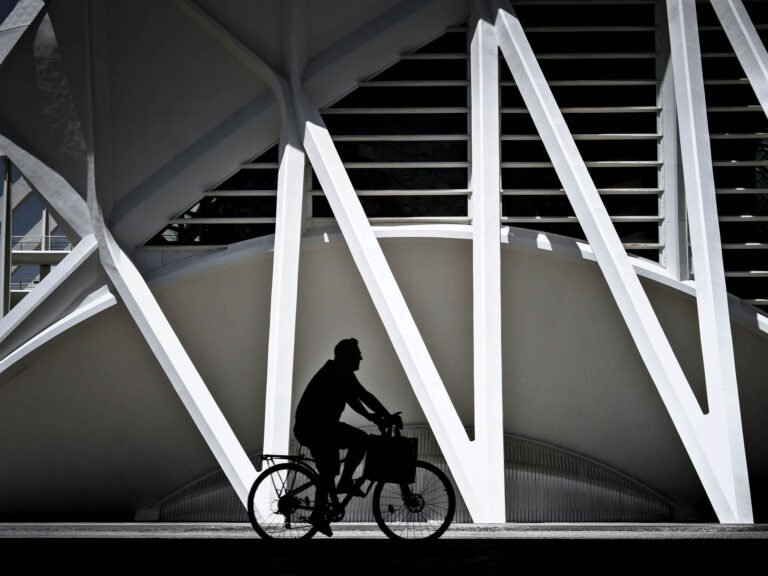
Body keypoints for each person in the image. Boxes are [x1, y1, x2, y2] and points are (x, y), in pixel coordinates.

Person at [293, 338, 399, 537]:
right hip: (315, 428)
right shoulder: (335, 372)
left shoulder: (342, 372)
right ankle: (343, 485)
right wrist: (377, 416)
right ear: (345, 356)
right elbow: (354, 399)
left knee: (329, 469)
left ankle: (323, 508)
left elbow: (363, 395)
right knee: (360, 440)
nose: (361, 357)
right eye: (356, 354)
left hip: (321, 428)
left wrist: (384, 415)